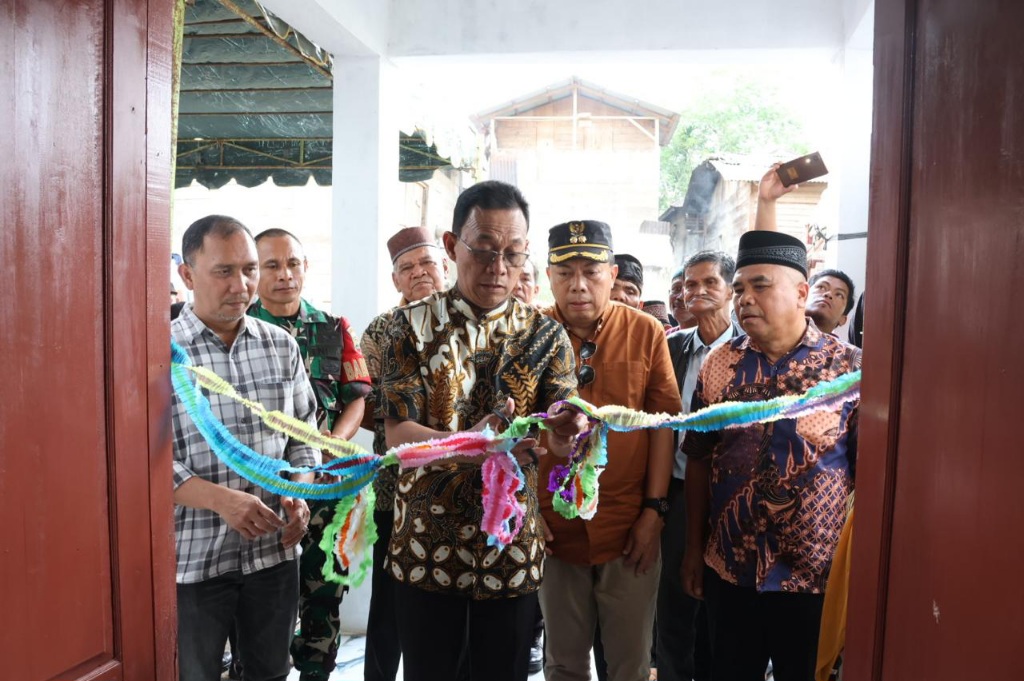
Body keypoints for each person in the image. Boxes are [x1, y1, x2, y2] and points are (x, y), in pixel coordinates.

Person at [375, 181, 589, 681]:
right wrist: (467, 444)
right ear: (452, 246)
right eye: (485, 250)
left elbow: (556, 438)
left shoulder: (545, 335)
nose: (499, 268)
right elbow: (396, 435)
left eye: (513, 254)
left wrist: (566, 433)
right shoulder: (405, 328)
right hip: (426, 548)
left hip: (510, 552)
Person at [681, 230, 861, 681]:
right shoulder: (719, 365)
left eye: (760, 285)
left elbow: (866, 474)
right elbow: (699, 457)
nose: (744, 298)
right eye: (739, 288)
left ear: (802, 292)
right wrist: (692, 550)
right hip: (730, 566)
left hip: (813, 574)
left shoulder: (850, 370)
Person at [171, 215, 318, 681]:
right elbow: (139, 459)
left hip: (273, 556)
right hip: (193, 562)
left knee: (270, 672)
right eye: (224, 271)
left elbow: (304, 437)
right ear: (187, 275)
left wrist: (300, 491)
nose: (243, 285)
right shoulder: (159, 353)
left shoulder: (280, 346)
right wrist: (222, 501)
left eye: (249, 269)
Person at [539, 220, 681, 681]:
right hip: (552, 528)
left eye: (591, 272)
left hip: (628, 528)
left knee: (630, 665)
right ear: (548, 276)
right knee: (563, 664)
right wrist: (527, 513)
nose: (578, 285)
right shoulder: (530, 334)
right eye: (565, 274)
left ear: (612, 273)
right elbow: (511, 435)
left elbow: (663, 425)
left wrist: (654, 512)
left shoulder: (645, 331)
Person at [247, 228, 372, 681]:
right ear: (254, 271)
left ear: (305, 267)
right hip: (262, 486)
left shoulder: (333, 328)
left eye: (293, 264)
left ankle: (317, 670)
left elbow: (356, 397)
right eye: (272, 265)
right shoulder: (240, 329)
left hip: (327, 486)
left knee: (323, 591)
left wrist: (328, 445)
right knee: (260, 596)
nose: (285, 275)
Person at [360, 226, 449, 681]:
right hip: (396, 488)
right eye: (407, 268)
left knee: (444, 607)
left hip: (458, 489)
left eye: (427, 263)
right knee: (389, 599)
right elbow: (363, 407)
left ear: (446, 267)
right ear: (395, 280)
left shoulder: (466, 324)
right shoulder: (379, 332)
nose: (419, 274)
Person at [659, 250, 742, 681]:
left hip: (731, 498)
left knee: (720, 608)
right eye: (690, 284)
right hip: (675, 490)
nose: (698, 291)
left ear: (730, 290)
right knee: (673, 603)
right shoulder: (669, 347)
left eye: (710, 282)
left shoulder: (750, 351)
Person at [806, 269, 856, 336]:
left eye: (839, 295)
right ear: (803, 294)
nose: (829, 294)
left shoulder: (844, 347)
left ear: (843, 319)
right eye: (821, 287)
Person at [667, 268, 698, 332]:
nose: (681, 297)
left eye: (689, 290)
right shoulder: (666, 337)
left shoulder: (713, 339)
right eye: (676, 289)